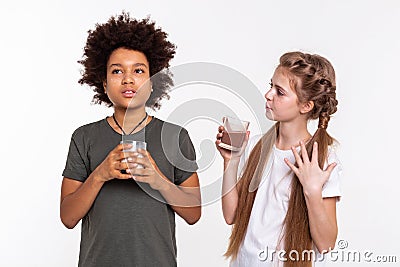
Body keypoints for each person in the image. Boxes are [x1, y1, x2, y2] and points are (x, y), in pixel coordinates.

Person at [60, 12, 201, 267]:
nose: (128, 79)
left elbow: (193, 213)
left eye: (138, 70)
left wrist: (158, 180)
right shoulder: (84, 137)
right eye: (117, 71)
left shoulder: (176, 137)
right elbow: (68, 217)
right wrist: (101, 173)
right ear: (103, 83)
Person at [216, 51, 342, 267]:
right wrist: (231, 160)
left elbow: (326, 244)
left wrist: (312, 191)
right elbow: (232, 216)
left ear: (306, 106)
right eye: (271, 85)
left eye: (280, 92)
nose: (268, 94)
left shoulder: (320, 159)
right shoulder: (256, 146)